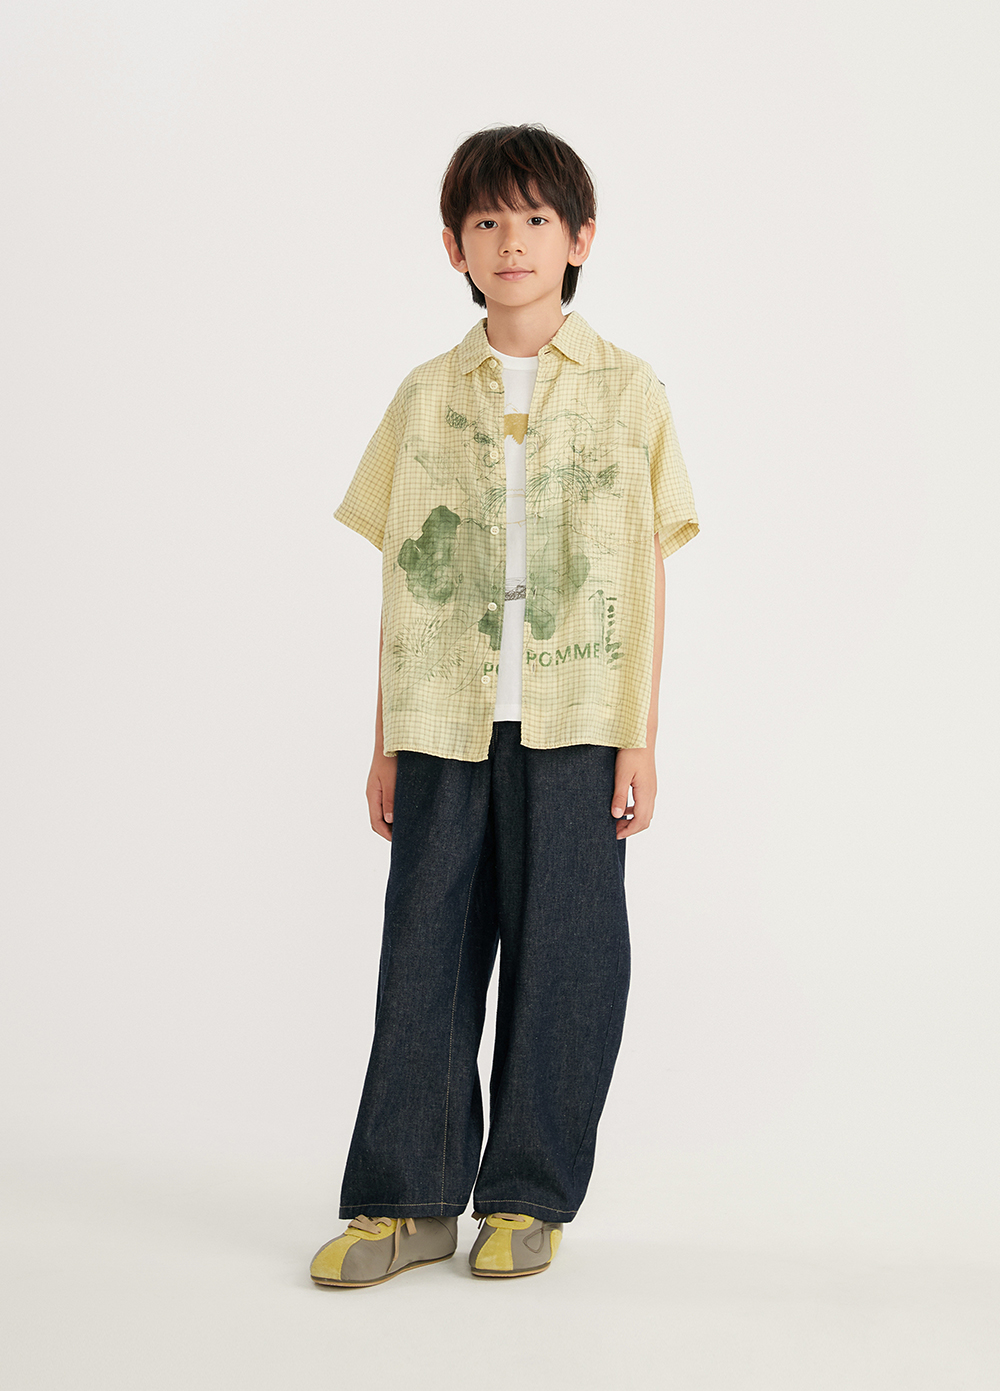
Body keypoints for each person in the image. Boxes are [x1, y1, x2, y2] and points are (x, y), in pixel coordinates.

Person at [309, 123, 699, 1288]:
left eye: (535, 218)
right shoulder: (423, 396)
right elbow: (401, 576)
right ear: (454, 247)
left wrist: (640, 735)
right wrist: (383, 738)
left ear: (580, 238)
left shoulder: (631, 391)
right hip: (440, 714)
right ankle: (405, 1199)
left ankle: (526, 1194)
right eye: (486, 221)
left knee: (566, 953)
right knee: (422, 951)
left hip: (579, 716)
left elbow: (648, 566)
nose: (511, 240)